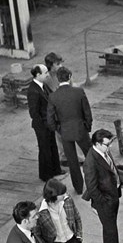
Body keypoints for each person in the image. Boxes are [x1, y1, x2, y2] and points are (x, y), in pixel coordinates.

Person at [46, 66, 93, 194]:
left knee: (73, 162)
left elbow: (50, 119)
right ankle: (94, 183)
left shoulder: (53, 97)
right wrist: (87, 127)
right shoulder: (79, 92)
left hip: (65, 132)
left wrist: (58, 129)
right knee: (91, 157)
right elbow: (87, 112)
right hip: (80, 130)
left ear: (57, 79)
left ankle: (78, 188)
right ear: (70, 77)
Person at [27, 64, 63, 182]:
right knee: (44, 149)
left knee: (52, 146)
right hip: (42, 125)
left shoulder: (44, 86)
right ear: (38, 75)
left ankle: (56, 170)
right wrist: (42, 126)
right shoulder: (33, 91)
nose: (48, 75)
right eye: (45, 73)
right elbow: (34, 112)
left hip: (49, 122)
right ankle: (46, 175)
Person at [43, 52, 68, 169]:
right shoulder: (48, 79)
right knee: (60, 134)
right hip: (57, 110)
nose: (60, 66)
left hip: (65, 106)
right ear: (51, 66)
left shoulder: (60, 74)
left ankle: (67, 156)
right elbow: (55, 93)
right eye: (57, 64)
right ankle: (64, 157)